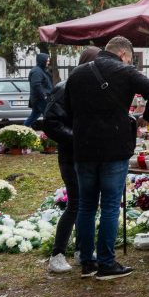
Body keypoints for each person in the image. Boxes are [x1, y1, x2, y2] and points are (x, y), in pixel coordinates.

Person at [65, 36, 149, 280]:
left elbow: (68, 108)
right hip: (114, 146)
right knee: (111, 205)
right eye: (130, 58)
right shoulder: (125, 71)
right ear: (123, 54)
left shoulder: (77, 73)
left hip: (83, 147)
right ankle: (107, 263)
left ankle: (87, 262)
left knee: (87, 205)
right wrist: (147, 116)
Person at [41, 46, 100, 274]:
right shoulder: (64, 88)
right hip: (71, 156)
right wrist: (78, 139)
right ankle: (57, 254)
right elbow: (51, 123)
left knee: (88, 204)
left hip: (88, 156)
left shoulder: (91, 88)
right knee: (76, 204)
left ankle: (81, 249)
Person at [25, 52, 53, 127]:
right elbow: (36, 85)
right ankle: (50, 135)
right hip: (40, 99)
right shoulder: (37, 71)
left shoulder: (41, 70)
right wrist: (44, 96)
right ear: (42, 60)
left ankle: (22, 130)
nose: (48, 62)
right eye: (47, 60)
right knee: (49, 117)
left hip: (40, 99)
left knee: (34, 116)